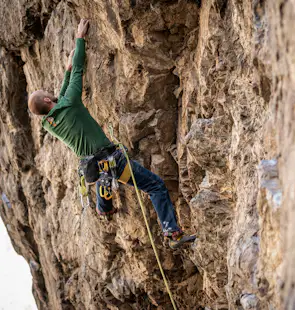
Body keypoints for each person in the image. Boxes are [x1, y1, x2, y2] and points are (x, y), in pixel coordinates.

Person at [27, 19, 195, 249]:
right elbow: (77, 72)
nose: (51, 93)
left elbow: (62, 93)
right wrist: (80, 39)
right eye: (47, 93)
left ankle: (103, 207)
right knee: (155, 186)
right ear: (48, 100)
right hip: (112, 160)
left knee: (105, 179)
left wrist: (66, 70)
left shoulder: (50, 122)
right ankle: (172, 234)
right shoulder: (71, 104)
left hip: (94, 167)